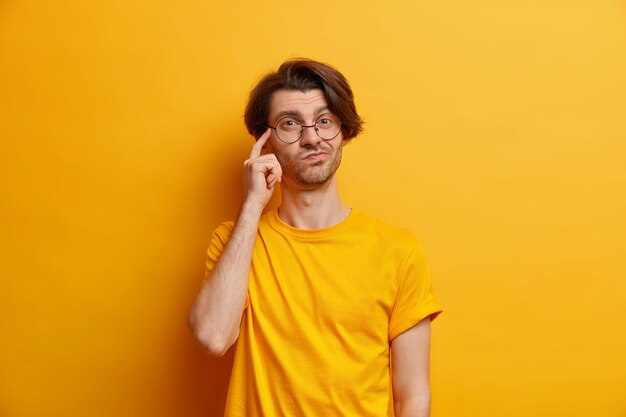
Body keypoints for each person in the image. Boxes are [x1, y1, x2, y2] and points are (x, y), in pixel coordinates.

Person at [188, 58, 443, 417]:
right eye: (290, 123)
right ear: (265, 139)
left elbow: (413, 395)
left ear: (344, 130)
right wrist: (251, 206)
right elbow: (213, 337)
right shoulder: (235, 240)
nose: (311, 137)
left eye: (324, 121)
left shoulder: (399, 251)